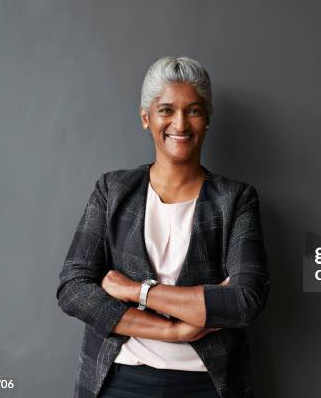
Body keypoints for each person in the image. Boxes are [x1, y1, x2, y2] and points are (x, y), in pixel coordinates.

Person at [56, 56, 270, 398]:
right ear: (146, 117)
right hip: (119, 381)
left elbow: (245, 300)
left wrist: (136, 291)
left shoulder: (235, 199)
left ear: (208, 119)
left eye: (194, 110)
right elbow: (73, 290)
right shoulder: (112, 190)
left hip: (208, 384)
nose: (180, 123)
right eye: (167, 110)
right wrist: (174, 331)